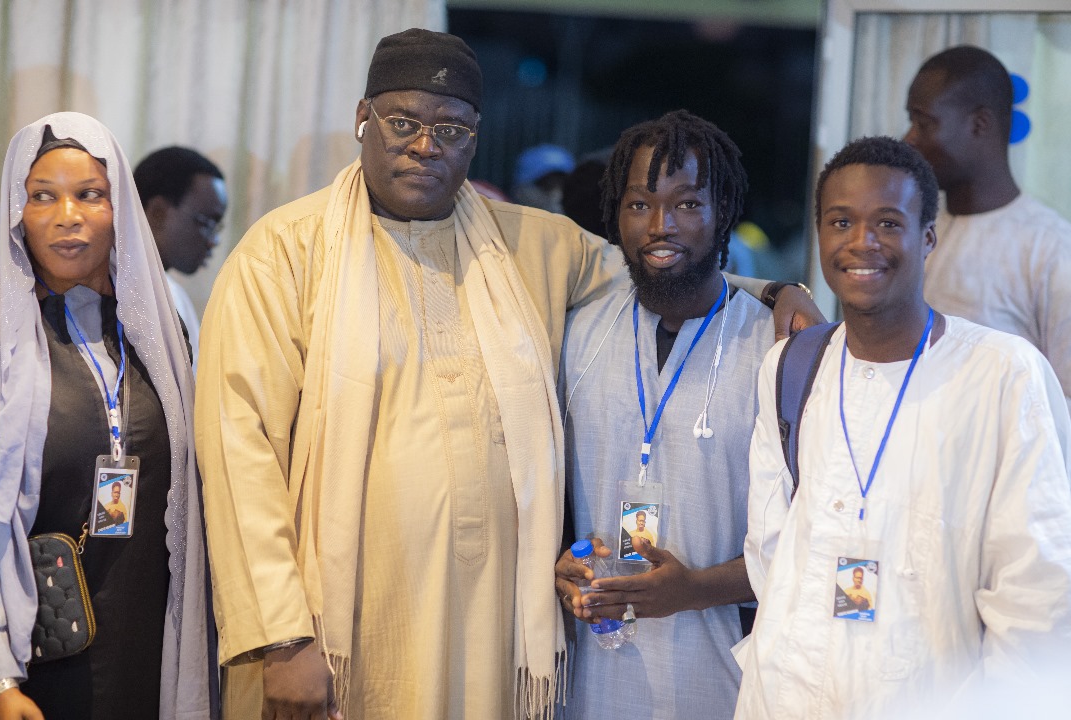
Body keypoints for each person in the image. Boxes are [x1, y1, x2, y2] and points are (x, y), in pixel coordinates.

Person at [196, 29, 820, 720]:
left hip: (488, 633)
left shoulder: (530, 243)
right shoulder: (283, 255)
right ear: (361, 119)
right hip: (339, 630)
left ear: (475, 137)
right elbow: (238, 454)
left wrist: (768, 292)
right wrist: (283, 639)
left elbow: (660, 266)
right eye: (403, 123)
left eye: (452, 129)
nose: (426, 145)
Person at [735, 136, 1071, 720]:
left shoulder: (1003, 374)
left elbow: (1038, 596)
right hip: (784, 694)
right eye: (841, 221)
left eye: (888, 223)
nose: (862, 241)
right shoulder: (790, 365)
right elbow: (769, 552)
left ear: (928, 238)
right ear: (820, 236)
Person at [0, 113, 216, 719]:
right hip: (36, 657)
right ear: (17, 211)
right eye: (43, 196)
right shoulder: (1, 345)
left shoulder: (159, 340)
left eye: (90, 194)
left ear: (121, 209)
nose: (68, 214)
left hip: (151, 638)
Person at [554, 110, 777, 720]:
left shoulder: (773, 348)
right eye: (639, 204)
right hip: (593, 672)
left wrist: (694, 590)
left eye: (687, 204)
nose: (661, 226)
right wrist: (557, 563)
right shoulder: (578, 334)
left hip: (722, 676)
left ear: (722, 212)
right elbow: (540, 491)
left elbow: (806, 540)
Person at [903, 45, 1071, 410]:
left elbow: (1064, 404)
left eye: (923, 122)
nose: (909, 139)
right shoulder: (914, 233)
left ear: (979, 124)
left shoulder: (1051, 248)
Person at [133, 146, 227, 357]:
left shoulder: (168, 291)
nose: (214, 241)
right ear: (157, 212)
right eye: (206, 222)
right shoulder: (158, 295)